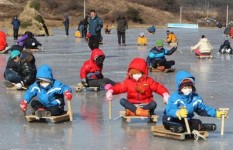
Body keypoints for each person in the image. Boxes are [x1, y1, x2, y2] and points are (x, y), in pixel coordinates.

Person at [163, 70, 227, 133]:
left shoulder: (195, 98)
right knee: (179, 126)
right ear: (180, 87)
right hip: (171, 119)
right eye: (185, 87)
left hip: (186, 120)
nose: (187, 89)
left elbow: (203, 109)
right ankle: (179, 128)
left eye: (189, 86)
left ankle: (201, 127)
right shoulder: (175, 97)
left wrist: (216, 113)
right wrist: (178, 113)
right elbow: (169, 109)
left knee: (197, 122)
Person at [106, 58, 170, 117]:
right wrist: (111, 91)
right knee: (122, 101)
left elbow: (158, 87)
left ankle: (134, 112)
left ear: (143, 73)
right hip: (132, 104)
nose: (136, 76)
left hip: (146, 104)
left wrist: (165, 93)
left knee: (153, 104)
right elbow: (119, 87)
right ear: (130, 74)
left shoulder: (148, 81)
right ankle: (140, 112)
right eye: (133, 74)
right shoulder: (128, 82)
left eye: (138, 73)